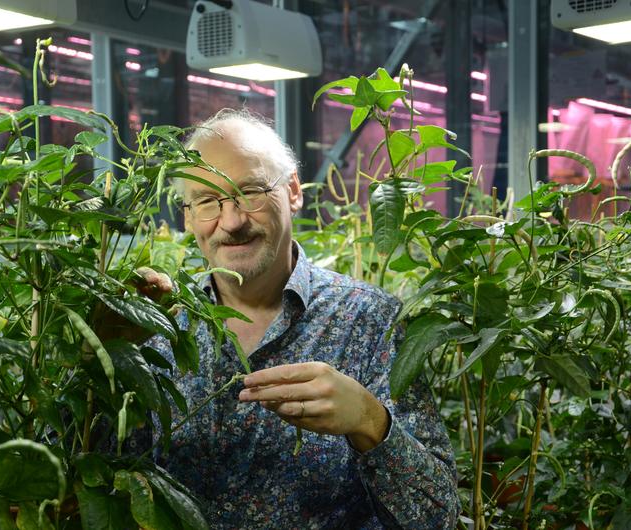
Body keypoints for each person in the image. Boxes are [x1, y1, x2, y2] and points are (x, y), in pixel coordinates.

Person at [143, 108, 460, 529]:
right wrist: (102, 358)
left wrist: (368, 420)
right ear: (188, 216)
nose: (232, 221)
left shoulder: (369, 320)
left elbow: (437, 517)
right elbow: (83, 480)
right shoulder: (157, 323)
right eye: (207, 202)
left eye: (251, 192)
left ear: (293, 191)